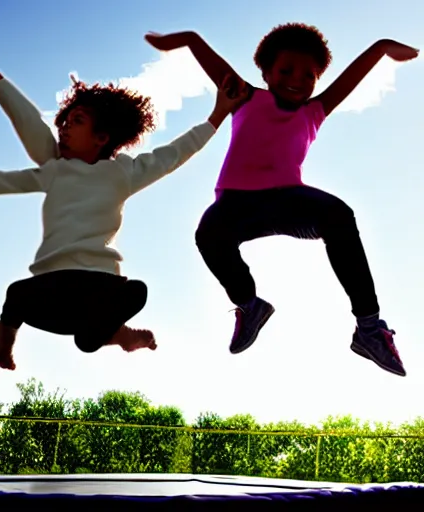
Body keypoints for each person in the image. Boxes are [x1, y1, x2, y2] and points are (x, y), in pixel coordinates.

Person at [0, 40, 249, 371]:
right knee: (16, 294)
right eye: (62, 122)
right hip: (51, 291)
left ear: (102, 137)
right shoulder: (55, 169)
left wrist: (219, 112)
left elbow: (176, 152)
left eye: (75, 121)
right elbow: (15, 146)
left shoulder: (124, 173)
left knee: (132, 295)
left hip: (98, 287)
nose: (62, 128)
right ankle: (5, 342)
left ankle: (117, 334)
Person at [145, 23, 419, 377]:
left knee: (338, 215)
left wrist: (381, 47)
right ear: (266, 73)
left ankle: (369, 328)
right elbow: (213, 64)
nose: (298, 80)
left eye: (309, 75)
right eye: (286, 70)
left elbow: (350, 79)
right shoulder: (245, 96)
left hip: (288, 200)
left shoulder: (314, 111)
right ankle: (250, 304)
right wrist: (186, 40)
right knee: (208, 234)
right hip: (237, 204)